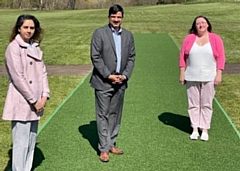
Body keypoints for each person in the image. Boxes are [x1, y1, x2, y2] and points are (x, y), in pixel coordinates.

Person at [2, 14, 50, 171]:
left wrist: (44, 96)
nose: (29, 31)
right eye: (25, 27)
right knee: (20, 143)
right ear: (18, 28)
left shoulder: (35, 47)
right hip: (22, 101)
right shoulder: (13, 48)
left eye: (32, 27)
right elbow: (18, 78)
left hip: (37, 101)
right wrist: (34, 100)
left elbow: (43, 72)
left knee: (31, 141)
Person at [90, 4, 136, 162]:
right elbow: (95, 57)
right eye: (113, 17)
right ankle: (103, 148)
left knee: (115, 115)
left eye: (119, 17)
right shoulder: (99, 33)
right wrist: (108, 75)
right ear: (109, 17)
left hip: (121, 82)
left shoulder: (128, 35)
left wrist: (124, 76)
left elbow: (131, 57)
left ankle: (111, 144)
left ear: (122, 18)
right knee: (103, 115)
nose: (116, 19)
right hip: (103, 82)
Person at [179, 15, 225, 141]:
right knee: (193, 103)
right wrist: (182, 73)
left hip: (209, 76)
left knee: (206, 103)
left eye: (203, 22)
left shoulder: (215, 39)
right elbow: (182, 57)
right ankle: (195, 128)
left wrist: (219, 73)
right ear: (195, 26)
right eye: (198, 23)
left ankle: (204, 129)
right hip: (192, 76)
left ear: (208, 25)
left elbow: (221, 57)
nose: (201, 25)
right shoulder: (189, 39)